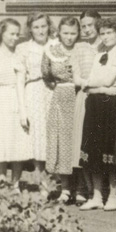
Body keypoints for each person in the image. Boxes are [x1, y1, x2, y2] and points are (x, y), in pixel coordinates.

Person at [80, 17, 116, 211]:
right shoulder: (99, 52)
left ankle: (113, 196)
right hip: (95, 103)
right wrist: (96, 87)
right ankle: (96, 196)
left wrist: (93, 85)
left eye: (109, 32)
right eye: (102, 33)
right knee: (93, 150)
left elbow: (109, 80)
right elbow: (92, 81)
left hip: (112, 105)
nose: (105, 37)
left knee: (109, 152)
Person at [0, 19, 29, 187]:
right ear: (1, 33)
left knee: (17, 140)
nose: (15, 38)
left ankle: (15, 183)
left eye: (17, 34)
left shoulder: (20, 53)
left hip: (17, 97)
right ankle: (1, 180)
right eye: (11, 34)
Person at [43, 17, 80, 202]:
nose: (69, 37)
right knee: (61, 141)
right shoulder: (52, 51)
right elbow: (46, 74)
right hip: (60, 97)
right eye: (65, 33)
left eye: (73, 33)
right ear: (59, 32)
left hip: (80, 97)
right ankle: (65, 188)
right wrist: (60, 87)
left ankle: (82, 189)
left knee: (77, 140)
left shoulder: (83, 50)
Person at [16, 13, 53, 190]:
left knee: (53, 137)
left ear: (49, 27)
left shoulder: (56, 45)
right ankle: (41, 184)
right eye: (36, 27)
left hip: (53, 93)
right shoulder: (23, 48)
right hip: (34, 93)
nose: (40, 30)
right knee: (38, 139)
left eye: (43, 26)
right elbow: (19, 79)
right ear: (30, 29)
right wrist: (22, 110)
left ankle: (58, 184)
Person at [69, 10, 102, 202]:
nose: (87, 29)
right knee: (80, 141)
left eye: (90, 25)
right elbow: (75, 74)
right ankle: (84, 187)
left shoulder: (104, 44)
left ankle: (99, 189)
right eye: (84, 26)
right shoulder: (78, 47)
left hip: (101, 95)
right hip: (84, 94)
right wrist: (85, 82)